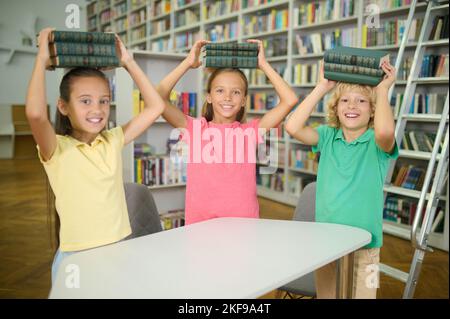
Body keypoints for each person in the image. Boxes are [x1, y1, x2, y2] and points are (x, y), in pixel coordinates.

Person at [25, 28, 166, 284]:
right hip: (78, 261)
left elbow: (156, 106)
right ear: (63, 106)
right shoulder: (56, 149)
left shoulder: (112, 140)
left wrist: (129, 62)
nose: (97, 110)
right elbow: (35, 115)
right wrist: (41, 60)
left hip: (120, 252)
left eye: (104, 101)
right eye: (85, 101)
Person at [285, 60, 398, 299]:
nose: (352, 105)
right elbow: (292, 126)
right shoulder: (327, 136)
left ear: (373, 110)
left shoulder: (376, 141)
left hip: (366, 244)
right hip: (326, 240)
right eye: (345, 100)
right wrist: (321, 88)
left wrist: (382, 90)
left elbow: (386, 132)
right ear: (336, 108)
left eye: (361, 101)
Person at [156, 39, 298, 225]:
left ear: (244, 100)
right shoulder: (194, 128)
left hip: (243, 225)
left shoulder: (251, 131)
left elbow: (290, 100)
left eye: (236, 92)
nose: (228, 97)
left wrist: (263, 65)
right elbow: (158, 98)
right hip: (200, 225)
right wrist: (187, 63)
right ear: (209, 97)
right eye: (220, 90)